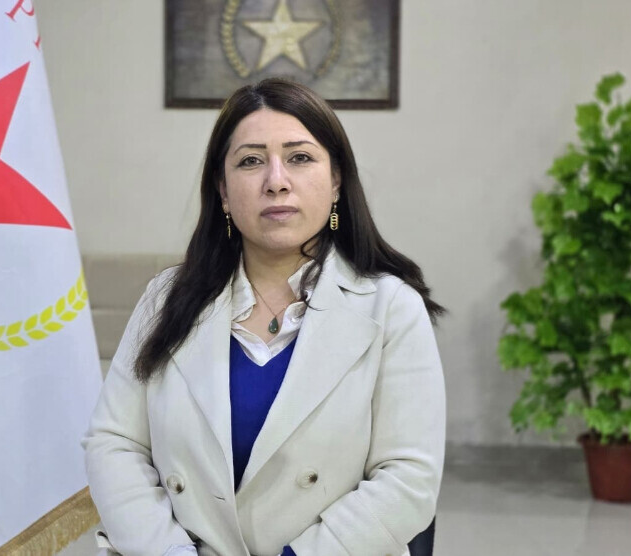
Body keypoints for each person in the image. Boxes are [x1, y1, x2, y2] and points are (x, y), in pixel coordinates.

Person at [82, 78, 446, 556]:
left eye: (300, 157)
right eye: (251, 161)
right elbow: (115, 443)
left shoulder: (392, 307)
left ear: (336, 181)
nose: (276, 180)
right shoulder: (166, 299)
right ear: (223, 190)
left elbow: (408, 478)